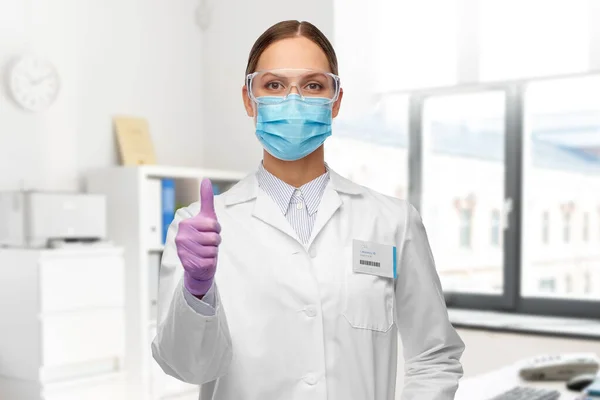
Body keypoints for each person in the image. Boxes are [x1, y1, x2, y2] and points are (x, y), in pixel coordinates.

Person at [152, 20, 465, 400]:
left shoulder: (392, 222)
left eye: (313, 85)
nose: (293, 100)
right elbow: (189, 368)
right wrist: (196, 293)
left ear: (336, 100)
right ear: (250, 99)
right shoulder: (200, 229)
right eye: (274, 85)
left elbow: (434, 356)